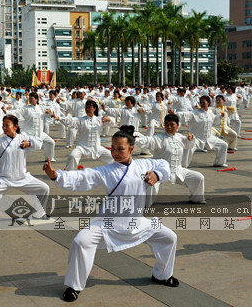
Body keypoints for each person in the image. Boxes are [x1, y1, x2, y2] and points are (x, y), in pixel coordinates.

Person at [42, 126, 178, 303]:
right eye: (112, 148)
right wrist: (56, 176)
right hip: (108, 223)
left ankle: (162, 275)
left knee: (169, 237)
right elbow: (82, 177)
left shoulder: (145, 165)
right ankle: (74, 286)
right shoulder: (106, 171)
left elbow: (163, 164)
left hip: (137, 222)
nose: (115, 152)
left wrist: (157, 175)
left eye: (120, 149)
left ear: (131, 149)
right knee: (80, 241)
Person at [135, 114, 206, 206]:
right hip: (159, 171)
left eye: (172, 125)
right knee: (150, 184)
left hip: (177, 170)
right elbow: (149, 141)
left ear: (177, 125)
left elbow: (189, 145)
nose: (168, 127)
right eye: (166, 124)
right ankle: (144, 204)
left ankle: (196, 199)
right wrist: (135, 139)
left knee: (198, 177)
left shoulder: (180, 137)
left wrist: (191, 139)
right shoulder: (159, 138)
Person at [52, 100, 114, 170]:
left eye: (89, 107)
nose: (87, 109)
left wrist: (108, 119)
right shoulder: (81, 120)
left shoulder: (99, 120)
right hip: (82, 147)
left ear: (94, 108)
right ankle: (69, 174)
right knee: (72, 156)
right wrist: (58, 118)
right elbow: (70, 120)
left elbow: (112, 121)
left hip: (97, 147)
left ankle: (114, 171)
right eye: (86, 107)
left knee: (112, 157)